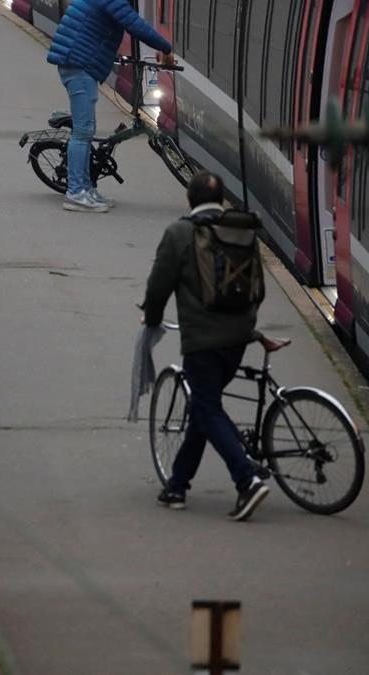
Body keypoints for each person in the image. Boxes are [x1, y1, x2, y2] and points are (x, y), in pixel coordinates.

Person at [139, 172, 271, 521]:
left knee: (208, 408)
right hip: (239, 339)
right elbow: (259, 289)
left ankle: (247, 478)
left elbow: (158, 287)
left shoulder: (180, 233)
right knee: (203, 406)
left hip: (202, 341)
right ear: (223, 199)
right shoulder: (243, 232)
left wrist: (151, 319)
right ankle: (177, 486)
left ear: (189, 199)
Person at [46, 0, 175, 213]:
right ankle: (76, 193)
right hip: (78, 65)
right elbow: (134, 24)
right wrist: (166, 48)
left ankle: (86, 189)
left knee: (85, 131)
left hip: (78, 62)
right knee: (83, 131)